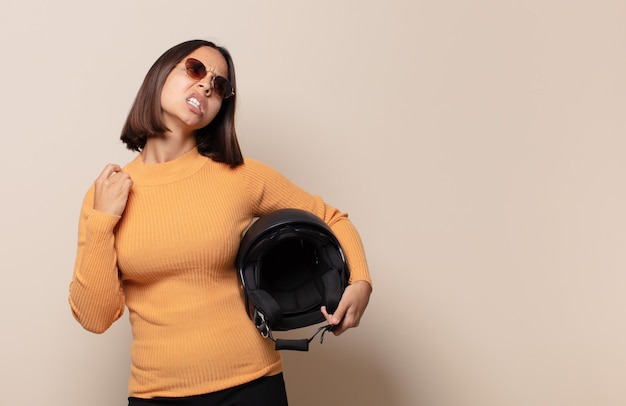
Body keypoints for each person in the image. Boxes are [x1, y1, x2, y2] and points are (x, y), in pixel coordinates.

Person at [68, 39, 372, 406]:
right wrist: (102, 220)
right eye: (195, 69)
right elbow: (95, 317)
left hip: (251, 385)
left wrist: (361, 282)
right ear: (161, 74)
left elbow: (331, 218)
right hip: (155, 395)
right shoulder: (108, 192)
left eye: (220, 85)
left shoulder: (238, 176)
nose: (207, 85)